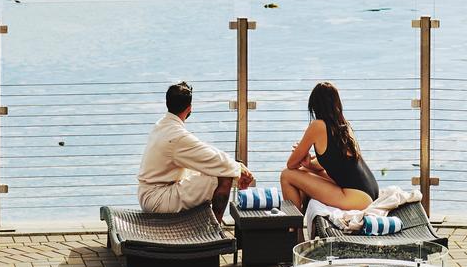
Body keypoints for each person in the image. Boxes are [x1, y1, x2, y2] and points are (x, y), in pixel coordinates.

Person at [137, 80, 255, 218]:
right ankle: (215, 230)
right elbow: (212, 158)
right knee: (224, 176)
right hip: (158, 199)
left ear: (167, 103)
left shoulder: (162, 125)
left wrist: (236, 167)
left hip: (149, 193)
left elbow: (206, 154)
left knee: (217, 168)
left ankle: (209, 226)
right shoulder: (177, 136)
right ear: (189, 108)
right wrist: (238, 169)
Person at [280, 80, 380, 213]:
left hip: (355, 197)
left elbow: (291, 165)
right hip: (370, 192)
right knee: (305, 170)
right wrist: (308, 164)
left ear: (314, 106)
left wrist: (301, 156)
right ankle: (297, 221)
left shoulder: (317, 126)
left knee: (287, 175)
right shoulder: (345, 126)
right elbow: (335, 163)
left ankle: (293, 228)